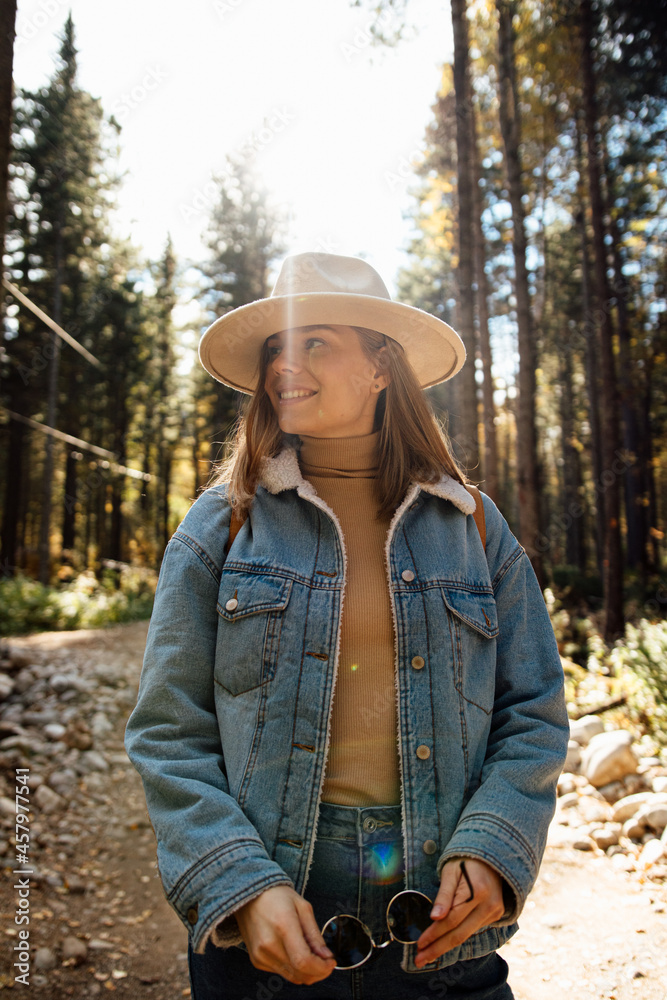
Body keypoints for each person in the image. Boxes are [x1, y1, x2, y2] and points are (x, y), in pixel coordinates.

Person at [124, 252, 569, 1000]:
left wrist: (495, 846)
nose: (283, 367)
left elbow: (532, 710)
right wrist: (238, 883)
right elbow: (169, 732)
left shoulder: (474, 528)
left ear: (380, 368)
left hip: (441, 928)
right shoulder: (220, 526)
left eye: (315, 343)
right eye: (275, 348)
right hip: (274, 915)